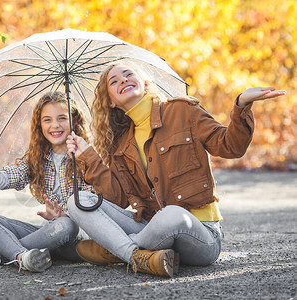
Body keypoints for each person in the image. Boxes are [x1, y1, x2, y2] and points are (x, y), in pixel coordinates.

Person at [66, 63, 286, 277]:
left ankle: (115, 250)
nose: (122, 80)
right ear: (111, 102)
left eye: (128, 74)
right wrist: (87, 155)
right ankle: (135, 255)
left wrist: (241, 105)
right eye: (113, 82)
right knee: (78, 201)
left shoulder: (182, 111)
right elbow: (118, 198)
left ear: (144, 82)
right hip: (152, 229)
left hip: (200, 234)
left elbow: (231, 146)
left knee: (171, 214)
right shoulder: (120, 143)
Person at [0, 91, 94, 272]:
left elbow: (94, 208)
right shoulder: (37, 158)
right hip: (46, 236)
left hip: (75, 238)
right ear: (39, 125)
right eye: (47, 120)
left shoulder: (87, 156)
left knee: (65, 225)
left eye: (62, 118)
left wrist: (62, 216)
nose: (54, 125)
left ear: (74, 121)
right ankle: (23, 257)